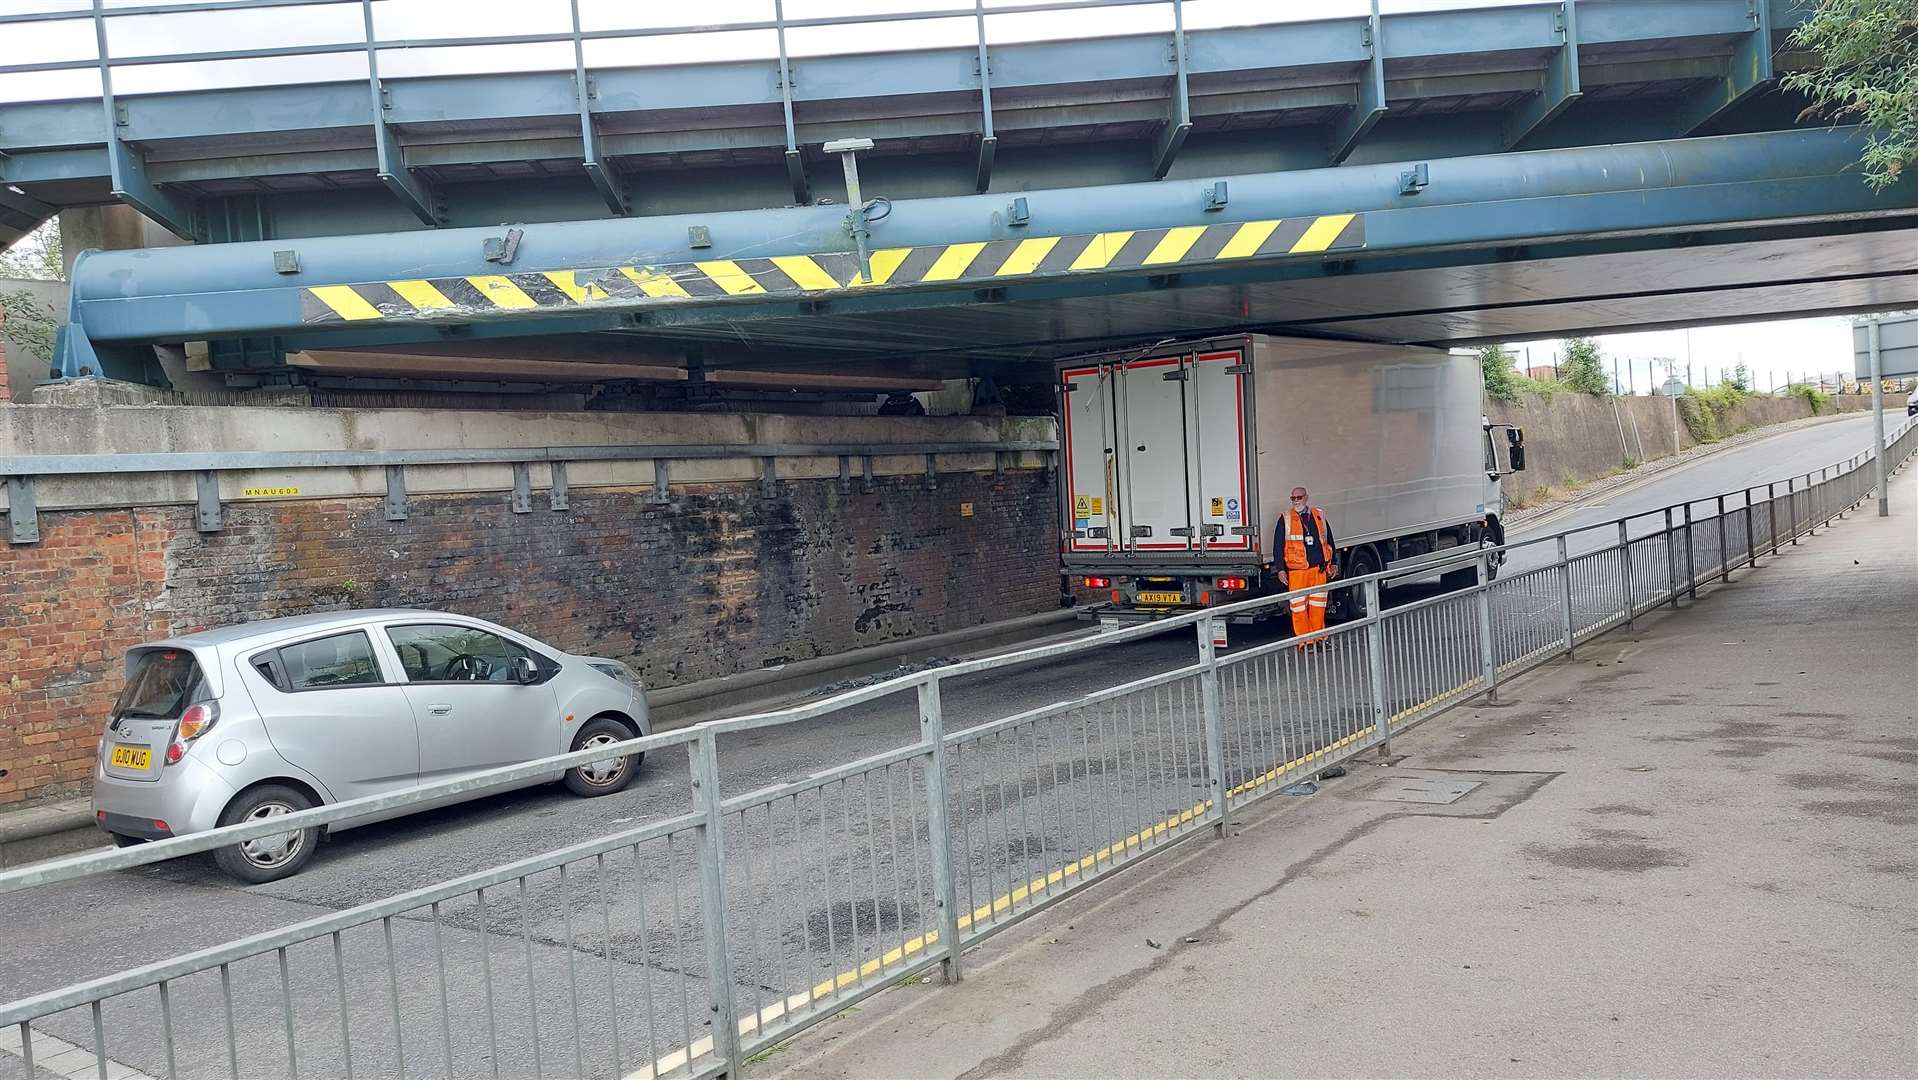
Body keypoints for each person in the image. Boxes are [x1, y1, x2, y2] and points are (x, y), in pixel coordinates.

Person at [1277, 486, 1338, 647]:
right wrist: (1281, 570)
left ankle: (1319, 639)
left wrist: (1334, 563)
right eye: (1293, 498)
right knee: (1298, 608)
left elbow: (1329, 541)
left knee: (1318, 607)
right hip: (1297, 572)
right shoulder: (1286, 518)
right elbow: (1278, 546)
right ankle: (1305, 641)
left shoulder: (1319, 516)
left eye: (1299, 497)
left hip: (1319, 569)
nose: (1296, 500)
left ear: (1306, 497)